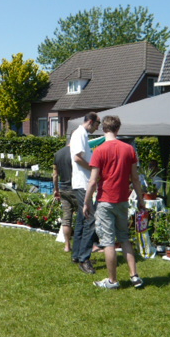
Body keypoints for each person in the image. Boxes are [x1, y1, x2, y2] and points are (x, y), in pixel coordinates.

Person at [84, 115, 145, 290]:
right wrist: (141, 200)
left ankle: (112, 281)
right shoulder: (129, 149)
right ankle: (134, 276)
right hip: (123, 200)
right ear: (118, 129)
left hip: (105, 201)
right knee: (124, 238)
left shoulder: (99, 150)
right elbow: (135, 178)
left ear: (103, 129)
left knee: (108, 242)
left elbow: (93, 181)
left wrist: (86, 203)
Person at [70, 111, 101, 274]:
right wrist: (94, 169)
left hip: (82, 183)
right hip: (83, 183)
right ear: (90, 122)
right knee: (90, 219)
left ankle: (77, 254)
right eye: (97, 124)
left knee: (82, 219)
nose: (97, 128)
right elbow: (77, 158)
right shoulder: (80, 134)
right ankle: (84, 259)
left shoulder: (82, 134)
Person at [53, 144, 78, 253]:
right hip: (77, 189)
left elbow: (55, 175)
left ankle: (67, 246)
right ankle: (82, 244)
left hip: (63, 189)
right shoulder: (77, 152)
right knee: (84, 217)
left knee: (66, 219)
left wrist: (56, 190)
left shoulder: (58, 153)